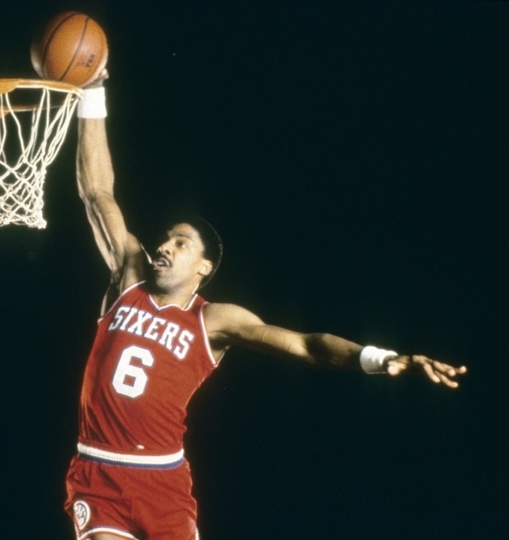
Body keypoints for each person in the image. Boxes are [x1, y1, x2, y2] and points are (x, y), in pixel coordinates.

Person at [63, 81, 466, 540]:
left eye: (181, 243)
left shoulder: (213, 320)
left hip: (164, 479)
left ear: (204, 267)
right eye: (165, 238)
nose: (164, 247)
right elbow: (97, 192)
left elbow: (306, 345)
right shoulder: (127, 277)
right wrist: (91, 93)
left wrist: (381, 358)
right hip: (102, 474)